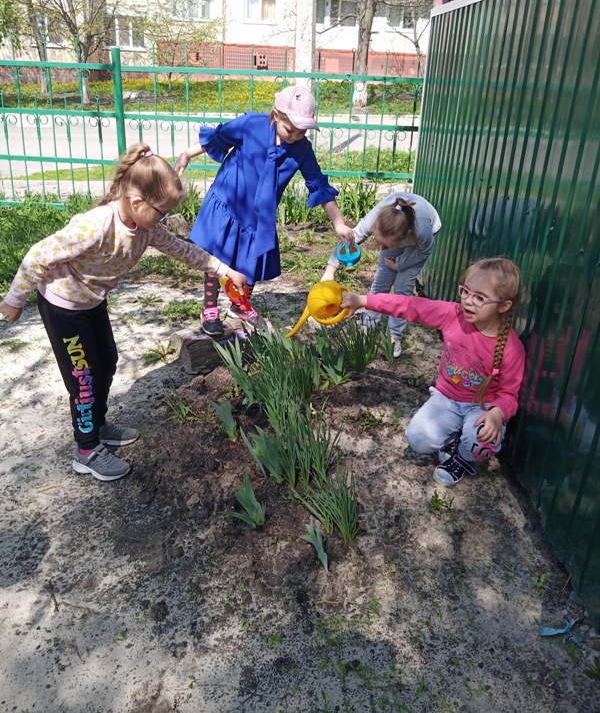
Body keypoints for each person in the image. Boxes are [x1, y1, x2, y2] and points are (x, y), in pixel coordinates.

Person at [0, 144, 247, 482]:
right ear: (137, 202)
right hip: (63, 308)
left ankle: (97, 426)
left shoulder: (146, 229)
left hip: (91, 303)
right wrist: (15, 299)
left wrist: (224, 270)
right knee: (84, 378)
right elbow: (38, 255)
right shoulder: (96, 226)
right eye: (161, 212)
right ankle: (85, 450)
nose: (164, 220)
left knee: (108, 362)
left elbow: (183, 250)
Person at [175, 84, 354, 336]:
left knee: (251, 261)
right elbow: (219, 137)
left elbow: (319, 185)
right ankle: (210, 308)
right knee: (218, 258)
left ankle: (240, 305)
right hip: (227, 202)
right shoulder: (252, 125)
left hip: (259, 217)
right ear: (275, 115)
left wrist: (338, 223)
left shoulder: (302, 150)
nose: (294, 135)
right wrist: (187, 155)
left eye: (301, 131)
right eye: (290, 129)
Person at [341, 257, 525, 486]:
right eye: (465, 291)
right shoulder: (453, 315)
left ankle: (461, 456)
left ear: (504, 306)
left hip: (482, 407)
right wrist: (363, 300)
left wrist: (498, 415)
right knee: (417, 439)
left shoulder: (511, 348)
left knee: (481, 443)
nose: (468, 301)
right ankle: (454, 438)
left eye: (479, 297)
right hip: (446, 399)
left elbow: (509, 394)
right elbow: (410, 306)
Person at [321, 193, 441, 357]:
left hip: (418, 248)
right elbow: (350, 239)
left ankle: (395, 336)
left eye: (385, 245)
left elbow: (424, 252)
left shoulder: (422, 231)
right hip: (396, 233)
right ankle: (368, 326)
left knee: (402, 289)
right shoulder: (377, 218)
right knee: (381, 283)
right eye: (379, 243)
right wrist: (330, 271)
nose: (381, 249)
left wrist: (399, 264)